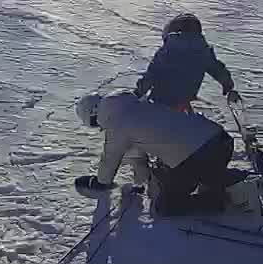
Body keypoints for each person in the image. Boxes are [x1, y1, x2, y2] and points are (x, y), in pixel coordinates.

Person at [74, 92, 236, 216]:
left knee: (165, 206)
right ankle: (231, 179)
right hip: (220, 141)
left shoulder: (118, 124)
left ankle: (215, 201)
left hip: (199, 156)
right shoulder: (136, 103)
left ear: (94, 115)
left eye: (95, 124)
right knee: (172, 174)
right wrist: (141, 181)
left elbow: (110, 158)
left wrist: (101, 182)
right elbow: (137, 155)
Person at [135, 13, 240, 112]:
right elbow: (217, 69)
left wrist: (138, 93)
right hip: (184, 99)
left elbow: (152, 74)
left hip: (160, 101)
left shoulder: (167, 50)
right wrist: (228, 85)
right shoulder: (203, 51)